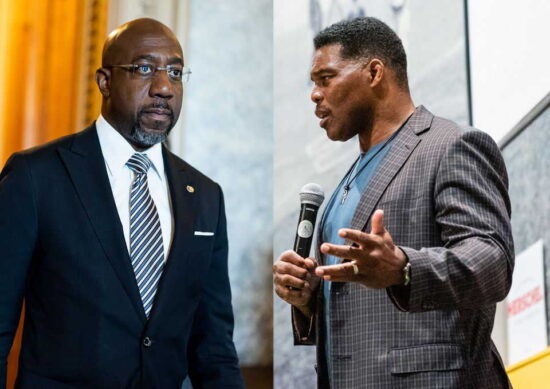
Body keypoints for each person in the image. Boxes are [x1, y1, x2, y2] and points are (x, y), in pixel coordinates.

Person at [0, 18, 244, 388]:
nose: (164, 87)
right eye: (145, 68)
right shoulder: (35, 177)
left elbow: (214, 346)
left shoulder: (206, 195)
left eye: (175, 72)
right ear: (105, 81)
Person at [273, 17, 513, 388]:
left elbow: (492, 261)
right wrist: (307, 298)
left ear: (373, 72)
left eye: (326, 78)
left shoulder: (451, 145)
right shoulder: (345, 184)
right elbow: (362, 316)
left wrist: (405, 268)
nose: (314, 94)